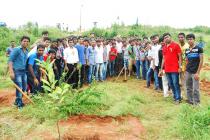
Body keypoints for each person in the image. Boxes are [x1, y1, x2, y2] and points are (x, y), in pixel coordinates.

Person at [8, 36, 30, 108]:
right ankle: (19, 104)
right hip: (17, 71)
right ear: (21, 42)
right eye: (24, 41)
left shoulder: (27, 51)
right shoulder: (16, 50)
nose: (26, 42)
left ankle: (17, 101)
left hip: (24, 72)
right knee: (19, 87)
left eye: (27, 41)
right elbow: (10, 60)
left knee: (24, 87)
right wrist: (11, 72)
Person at [159, 33, 182, 104]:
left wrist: (180, 67)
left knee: (176, 83)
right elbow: (163, 58)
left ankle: (178, 98)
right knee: (171, 84)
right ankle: (175, 97)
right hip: (167, 69)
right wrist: (161, 69)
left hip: (175, 69)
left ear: (170, 37)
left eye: (167, 37)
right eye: (165, 38)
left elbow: (180, 57)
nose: (166, 39)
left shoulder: (176, 45)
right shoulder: (164, 47)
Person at [185, 34, 203, 105]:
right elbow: (187, 60)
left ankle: (197, 104)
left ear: (194, 39)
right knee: (188, 87)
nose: (189, 40)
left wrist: (197, 73)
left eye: (191, 39)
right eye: (188, 39)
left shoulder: (199, 49)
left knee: (196, 88)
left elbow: (201, 61)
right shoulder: (186, 50)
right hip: (188, 71)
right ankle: (190, 101)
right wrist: (186, 70)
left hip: (195, 72)